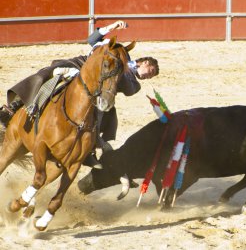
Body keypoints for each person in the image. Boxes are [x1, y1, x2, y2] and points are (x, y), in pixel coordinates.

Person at [0, 20, 160, 168]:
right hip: (79, 66)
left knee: (102, 115)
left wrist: (123, 71)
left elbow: (129, 89)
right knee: (44, 75)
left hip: (97, 90)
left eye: (151, 76)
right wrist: (112, 27)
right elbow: (92, 39)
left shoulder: (134, 82)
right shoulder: (119, 52)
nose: (148, 76)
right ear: (145, 62)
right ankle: (13, 108)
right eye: (150, 71)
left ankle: (89, 150)